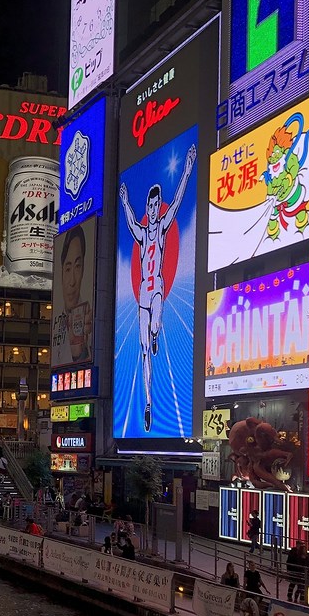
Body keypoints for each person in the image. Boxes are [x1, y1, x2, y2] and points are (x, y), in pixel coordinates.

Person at [118, 142, 197, 432]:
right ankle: (149, 403)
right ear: (146, 208)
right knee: (142, 352)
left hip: (157, 289)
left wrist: (188, 168)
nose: (152, 210)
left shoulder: (162, 228)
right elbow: (129, 223)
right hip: (142, 296)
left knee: (157, 316)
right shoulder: (140, 232)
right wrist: (126, 202)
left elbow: (177, 202)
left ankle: (155, 333)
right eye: (149, 206)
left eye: (155, 205)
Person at [54, 223, 92, 366]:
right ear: (61, 271)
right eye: (68, 268)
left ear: (83, 271)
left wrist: (79, 355)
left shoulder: (90, 322)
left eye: (77, 267)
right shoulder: (57, 320)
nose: (72, 282)